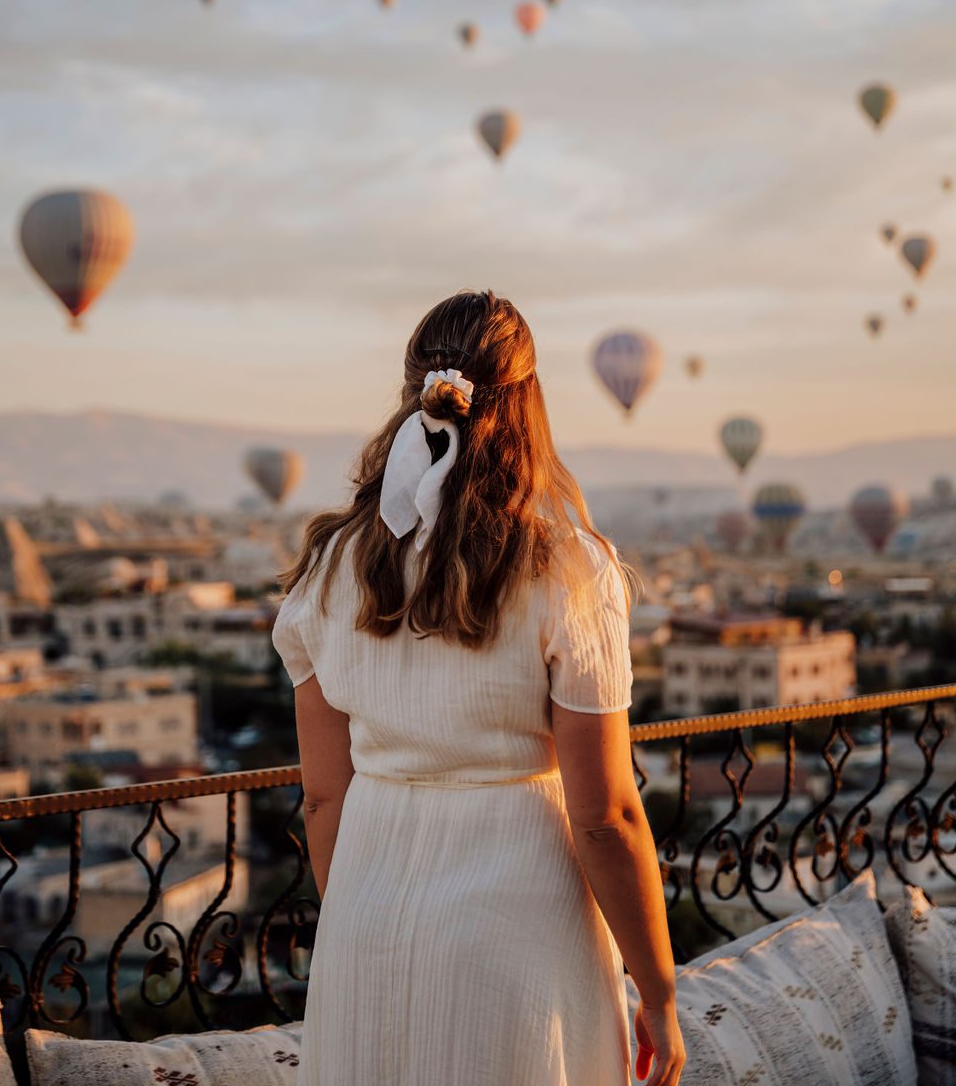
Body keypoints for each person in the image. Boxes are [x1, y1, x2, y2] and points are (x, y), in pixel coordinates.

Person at [272, 291, 685, 1086]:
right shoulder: (567, 569)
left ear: (413, 394)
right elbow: (605, 817)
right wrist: (659, 992)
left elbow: (323, 799)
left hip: (365, 917)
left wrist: (359, 914)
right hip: (518, 923)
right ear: (527, 405)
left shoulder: (328, 569)